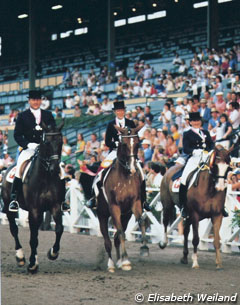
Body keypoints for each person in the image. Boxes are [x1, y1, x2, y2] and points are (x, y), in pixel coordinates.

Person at [9, 90, 70, 213]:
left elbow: (53, 130)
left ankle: (63, 201)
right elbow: (17, 135)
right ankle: (14, 199)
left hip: (45, 149)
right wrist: (27, 144)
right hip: (29, 148)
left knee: (61, 171)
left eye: (38, 100)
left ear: (41, 101)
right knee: (20, 167)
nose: (36, 102)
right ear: (29, 101)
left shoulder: (48, 114)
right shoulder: (22, 116)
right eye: (33, 100)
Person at [87, 100, 151, 211]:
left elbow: (135, 138)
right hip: (115, 151)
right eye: (118, 111)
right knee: (101, 170)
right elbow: (107, 141)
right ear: (115, 112)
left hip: (128, 153)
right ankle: (93, 197)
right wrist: (116, 143)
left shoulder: (130, 123)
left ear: (124, 111)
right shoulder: (111, 124)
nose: (120, 112)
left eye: (122, 110)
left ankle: (144, 201)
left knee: (141, 171)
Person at [179, 112, 214, 219]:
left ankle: (220, 205)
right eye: (194, 121)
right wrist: (194, 151)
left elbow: (211, 144)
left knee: (217, 176)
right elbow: (185, 148)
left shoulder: (206, 132)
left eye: (198, 120)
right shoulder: (187, 133)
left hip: (206, 157)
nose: (196, 122)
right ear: (190, 122)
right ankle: (183, 206)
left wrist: (210, 150)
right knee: (184, 179)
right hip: (194, 158)